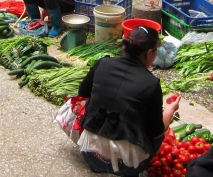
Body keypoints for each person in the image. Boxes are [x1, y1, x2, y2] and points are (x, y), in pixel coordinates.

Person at [77, 27, 181, 176]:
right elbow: (156, 131)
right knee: (156, 132)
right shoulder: (151, 84)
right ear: (150, 52)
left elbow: (83, 92)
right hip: (126, 166)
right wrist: (170, 111)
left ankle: (99, 162)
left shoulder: (103, 63)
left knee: (90, 102)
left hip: (90, 155)